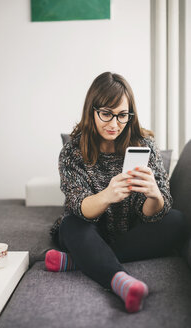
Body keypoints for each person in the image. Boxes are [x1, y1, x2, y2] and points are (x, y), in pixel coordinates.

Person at [45, 72, 188, 313]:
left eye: (122, 115)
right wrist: (108, 195)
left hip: (132, 233)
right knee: (70, 225)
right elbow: (79, 206)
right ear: (92, 110)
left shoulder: (144, 144)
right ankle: (120, 281)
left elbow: (152, 215)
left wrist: (154, 195)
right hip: (88, 231)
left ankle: (79, 261)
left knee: (177, 220)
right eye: (106, 114)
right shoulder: (73, 152)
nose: (114, 124)